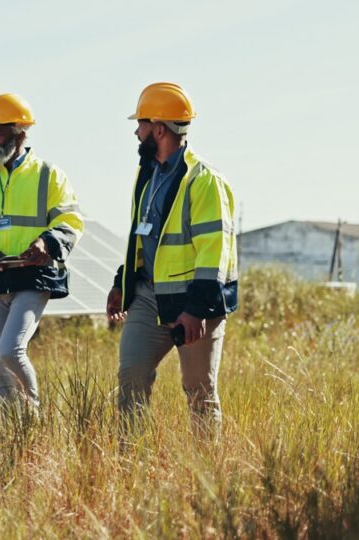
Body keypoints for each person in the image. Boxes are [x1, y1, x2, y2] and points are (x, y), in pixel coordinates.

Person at [107, 82, 238, 437]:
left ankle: (206, 478)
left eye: (142, 124)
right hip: (149, 298)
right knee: (130, 377)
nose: (137, 131)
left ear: (160, 129)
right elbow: (143, 236)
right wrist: (123, 283)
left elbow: (216, 253)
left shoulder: (204, 181)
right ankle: (127, 464)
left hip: (193, 303)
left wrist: (197, 309)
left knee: (199, 393)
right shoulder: (145, 176)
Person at [0, 93, 84, 410]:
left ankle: (33, 419)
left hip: (32, 278)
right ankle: (12, 436)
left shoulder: (49, 176)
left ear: (19, 132)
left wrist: (46, 244)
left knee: (11, 350)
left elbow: (71, 221)